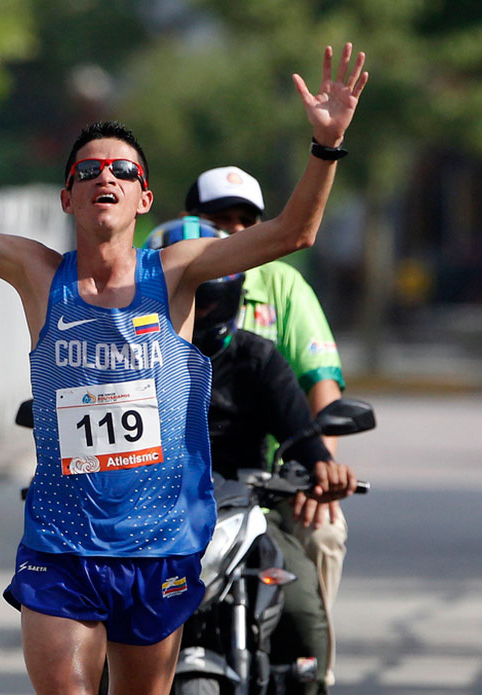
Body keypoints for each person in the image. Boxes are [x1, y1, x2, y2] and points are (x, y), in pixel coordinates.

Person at [0, 41, 367, 695]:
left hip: (158, 544)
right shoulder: (38, 274)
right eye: (90, 170)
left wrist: (326, 145)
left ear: (144, 197)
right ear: (68, 196)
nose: (107, 178)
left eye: (123, 171)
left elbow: (294, 232)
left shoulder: (179, 273)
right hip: (61, 544)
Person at [185, 165, 347, 688]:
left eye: (244, 222)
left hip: (262, 490)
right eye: (217, 221)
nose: (232, 233)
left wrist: (320, 469)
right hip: (151, 495)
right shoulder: (144, 299)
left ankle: (311, 676)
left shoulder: (277, 305)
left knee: (320, 539)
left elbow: (319, 386)